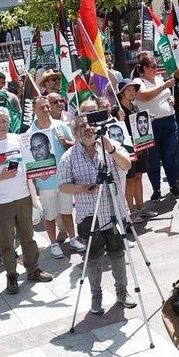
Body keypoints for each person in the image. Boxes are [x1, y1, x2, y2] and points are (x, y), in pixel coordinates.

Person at [60, 101, 136, 317]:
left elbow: (127, 165)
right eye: (82, 128)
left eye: (90, 126)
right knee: (93, 258)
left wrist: (108, 146)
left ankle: (122, 292)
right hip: (88, 216)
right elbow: (63, 186)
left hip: (113, 211)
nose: (87, 130)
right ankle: (97, 295)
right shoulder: (69, 157)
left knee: (117, 253)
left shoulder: (108, 145)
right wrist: (81, 188)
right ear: (75, 133)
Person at [0, 107, 53, 295]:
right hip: (0, 203)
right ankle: (11, 275)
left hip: (23, 196)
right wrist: (1, 176)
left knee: (28, 236)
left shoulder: (18, 140)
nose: (1, 125)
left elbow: (30, 163)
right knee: (7, 242)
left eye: (4, 121)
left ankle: (33, 269)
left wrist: (40, 173)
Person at [26, 96, 80, 257]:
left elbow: (75, 146)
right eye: (42, 108)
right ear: (34, 110)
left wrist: (66, 143)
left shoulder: (61, 126)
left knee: (67, 212)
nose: (46, 110)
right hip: (45, 184)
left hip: (64, 179)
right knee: (49, 215)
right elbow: (29, 162)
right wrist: (35, 178)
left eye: (47, 107)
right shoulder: (29, 134)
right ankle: (53, 244)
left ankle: (73, 238)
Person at [135, 53, 179, 200]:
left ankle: (173, 185)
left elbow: (166, 94)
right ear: (144, 68)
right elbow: (144, 96)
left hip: (169, 121)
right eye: (153, 66)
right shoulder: (138, 81)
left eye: (156, 65)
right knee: (153, 159)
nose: (156, 68)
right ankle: (156, 189)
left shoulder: (159, 79)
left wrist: (170, 98)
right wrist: (164, 86)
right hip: (150, 125)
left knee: (170, 156)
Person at [116, 82, 149, 219]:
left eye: (133, 90)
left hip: (140, 148)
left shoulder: (135, 107)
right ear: (121, 93)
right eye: (128, 90)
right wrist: (120, 119)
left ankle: (142, 208)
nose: (131, 92)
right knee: (129, 179)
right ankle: (132, 212)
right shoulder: (116, 109)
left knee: (138, 176)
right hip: (127, 150)